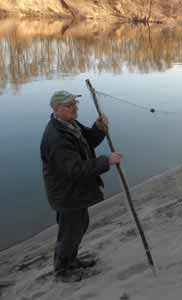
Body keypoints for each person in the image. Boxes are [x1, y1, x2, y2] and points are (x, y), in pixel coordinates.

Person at [40, 90, 122, 282]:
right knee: (69, 232)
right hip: (66, 194)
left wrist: (98, 128)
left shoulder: (70, 124)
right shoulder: (56, 138)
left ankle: (72, 260)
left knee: (80, 225)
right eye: (70, 106)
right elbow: (75, 169)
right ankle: (62, 271)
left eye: (75, 104)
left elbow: (88, 141)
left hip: (76, 191)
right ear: (58, 109)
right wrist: (106, 161)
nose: (75, 108)